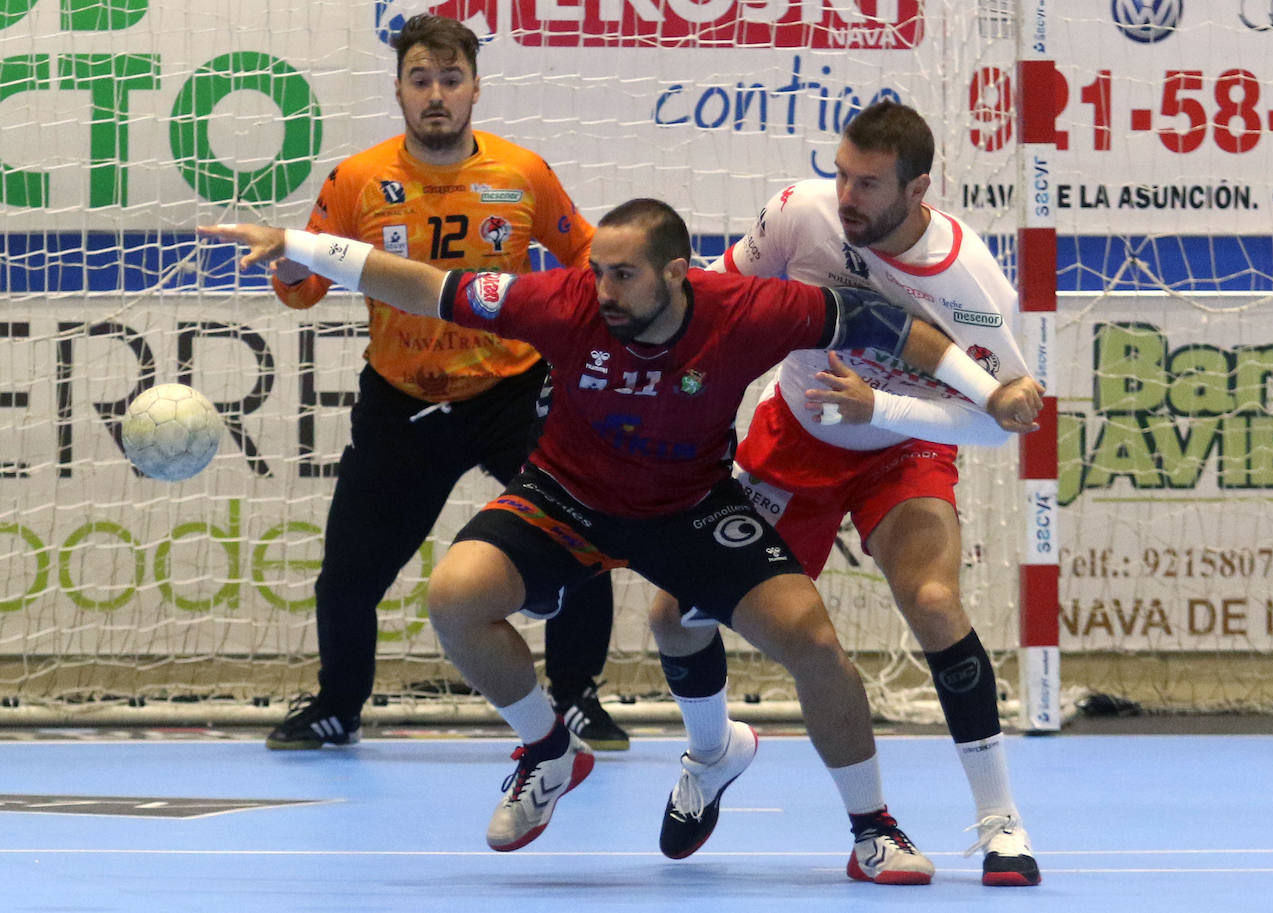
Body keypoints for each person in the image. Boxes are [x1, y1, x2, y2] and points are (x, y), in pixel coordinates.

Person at [197, 197, 1040, 882]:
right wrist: (300, 245)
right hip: (567, 497)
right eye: (597, 270)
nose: (602, 288)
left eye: (624, 274)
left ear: (677, 273)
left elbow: (882, 324)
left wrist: (987, 384)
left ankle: (872, 828)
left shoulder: (745, 311)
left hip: (689, 508)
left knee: (815, 643)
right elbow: (427, 286)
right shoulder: (561, 303)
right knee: (455, 598)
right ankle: (549, 747)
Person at [648, 100, 1044, 886]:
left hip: (906, 446)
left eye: (868, 183)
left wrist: (882, 408)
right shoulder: (801, 216)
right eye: (841, 174)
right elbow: (717, 296)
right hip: (795, 439)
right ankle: (713, 750)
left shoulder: (973, 285)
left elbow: (999, 423)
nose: (847, 196)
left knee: (934, 601)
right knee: (675, 615)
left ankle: (1002, 823)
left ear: (918, 188)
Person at [263, 14, 627, 752]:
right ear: (398, 89)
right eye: (421, 80)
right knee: (348, 571)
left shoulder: (522, 172)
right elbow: (301, 291)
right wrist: (289, 267)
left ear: (475, 89)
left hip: (511, 390)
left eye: (451, 80)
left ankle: (578, 696)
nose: (437, 95)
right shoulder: (358, 179)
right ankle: (338, 706)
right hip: (404, 398)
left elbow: (590, 254)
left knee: (582, 535)